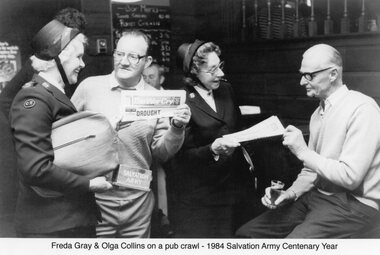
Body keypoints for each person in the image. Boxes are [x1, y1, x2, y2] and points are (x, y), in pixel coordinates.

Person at [236, 44, 380, 238]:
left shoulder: (362, 109)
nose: (302, 81)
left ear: (333, 74)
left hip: (355, 204)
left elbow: (350, 177)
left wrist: (303, 152)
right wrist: (290, 194)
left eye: (309, 75)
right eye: (302, 74)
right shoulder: (317, 114)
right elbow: (311, 171)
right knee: (247, 235)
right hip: (318, 197)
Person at [71, 29, 191, 238]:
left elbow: (161, 153)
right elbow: (66, 136)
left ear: (147, 61)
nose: (124, 62)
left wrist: (177, 128)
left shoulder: (156, 98)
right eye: (119, 54)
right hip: (95, 201)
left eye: (133, 56)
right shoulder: (89, 87)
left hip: (138, 201)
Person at [9, 19, 112, 238]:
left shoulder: (51, 94)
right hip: (52, 227)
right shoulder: (34, 98)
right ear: (59, 58)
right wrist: (89, 183)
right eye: (78, 57)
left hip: (65, 222)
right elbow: (35, 168)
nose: (82, 64)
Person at [165, 39, 253, 237]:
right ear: (194, 71)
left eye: (220, 66)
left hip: (231, 190)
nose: (220, 74)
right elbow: (179, 158)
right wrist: (212, 149)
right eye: (212, 69)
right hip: (199, 197)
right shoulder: (180, 99)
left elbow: (239, 128)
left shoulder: (226, 90)